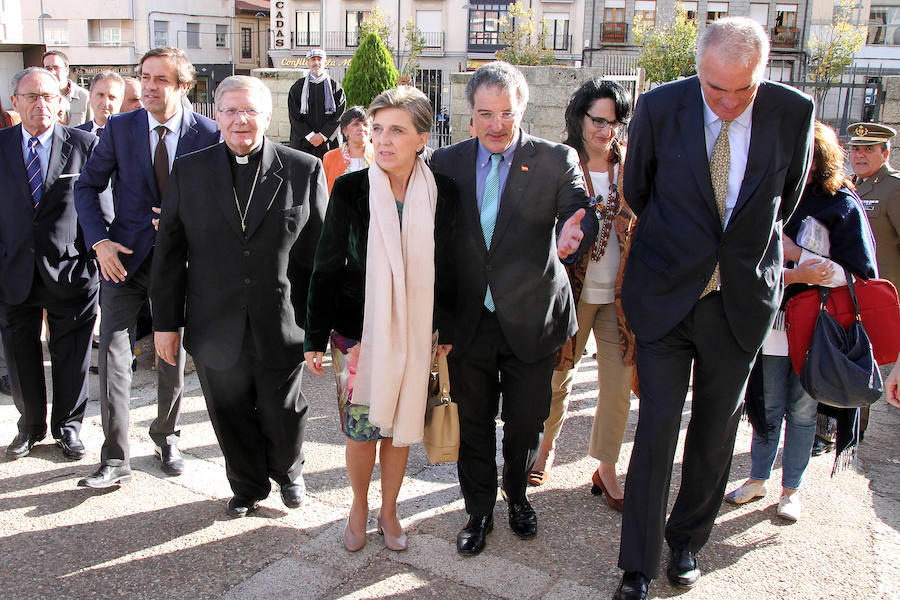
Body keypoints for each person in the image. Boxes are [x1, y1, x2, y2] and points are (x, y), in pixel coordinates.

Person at [612, 18, 814, 600]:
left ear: (764, 73)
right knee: (655, 430)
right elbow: (639, 192)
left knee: (715, 431)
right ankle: (637, 564)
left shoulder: (793, 112)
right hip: (666, 295)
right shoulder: (658, 106)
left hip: (740, 300)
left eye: (742, 90)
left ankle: (685, 543)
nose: (727, 104)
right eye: (714, 88)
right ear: (697, 70)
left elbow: (787, 197)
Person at [430, 62, 598, 556]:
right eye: (486, 113)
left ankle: (519, 494)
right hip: (468, 321)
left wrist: (574, 231)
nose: (497, 124)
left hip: (532, 316)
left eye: (506, 112)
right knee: (475, 421)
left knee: (526, 420)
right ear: (470, 116)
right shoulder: (447, 162)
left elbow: (577, 208)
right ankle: (478, 511)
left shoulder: (554, 158)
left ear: (521, 109)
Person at [152, 75, 325, 516]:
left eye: (250, 111)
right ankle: (247, 485)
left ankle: (289, 471)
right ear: (217, 116)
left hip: (281, 320)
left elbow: (319, 257)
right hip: (214, 320)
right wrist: (166, 324)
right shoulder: (189, 171)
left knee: (282, 411)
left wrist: (319, 329)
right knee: (228, 413)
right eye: (229, 110)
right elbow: (170, 253)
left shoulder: (303, 169)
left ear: (268, 117)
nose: (240, 120)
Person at [305, 86, 458, 552]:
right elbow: (327, 265)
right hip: (357, 334)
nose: (384, 140)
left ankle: (389, 510)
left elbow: (451, 267)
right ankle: (358, 505)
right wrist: (314, 335)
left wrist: (445, 331)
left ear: (422, 137)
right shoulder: (352, 189)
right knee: (362, 429)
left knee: (398, 427)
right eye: (377, 129)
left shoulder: (443, 192)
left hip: (418, 331)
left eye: (397, 130)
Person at [74, 47, 219, 488]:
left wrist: (189, 219)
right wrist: (100, 243)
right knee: (114, 355)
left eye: (160, 79)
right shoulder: (120, 128)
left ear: (182, 86)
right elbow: (87, 186)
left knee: (169, 351)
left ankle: (166, 434)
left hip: (181, 263)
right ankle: (115, 456)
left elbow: (221, 199)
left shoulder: (208, 133)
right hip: (124, 261)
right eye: (144, 77)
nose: (149, 87)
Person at [725, 122, 878, 522]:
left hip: (817, 326)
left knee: (804, 411)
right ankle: (757, 479)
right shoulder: (768, 195)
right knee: (765, 406)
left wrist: (796, 258)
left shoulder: (841, 202)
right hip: (770, 322)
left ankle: (790, 491)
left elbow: (857, 273)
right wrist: (789, 267)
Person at [528, 79, 637, 511]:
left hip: (619, 293)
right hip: (569, 290)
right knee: (558, 378)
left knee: (618, 383)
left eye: (614, 122)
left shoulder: (631, 165)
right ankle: (544, 449)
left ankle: (606, 467)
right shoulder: (559, 162)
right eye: (598, 119)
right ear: (580, 117)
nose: (605, 129)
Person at [0, 67, 103, 460]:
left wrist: (93, 261)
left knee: (72, 355)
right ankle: (29, 427)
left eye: (48, 96)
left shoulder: (85, 145)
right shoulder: (1, 145)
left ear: (61, 102)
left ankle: (68, 427)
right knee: (20, 353)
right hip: (12, 273)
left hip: (71, 272)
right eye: (31, 96)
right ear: (16, 103)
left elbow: (100, 210)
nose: (40, 104)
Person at [287, 49, 345, 159]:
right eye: (313, 59)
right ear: (308, 62)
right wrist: (310, 136)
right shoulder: (297, 87)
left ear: (325, 63)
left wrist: (322, 136)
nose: (316, 63)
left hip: (328, 144)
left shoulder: (335, 87)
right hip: (303, 144)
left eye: (319, 59)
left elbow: (339, 115)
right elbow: (294, 115)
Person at [322, 106, 373, 192]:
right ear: (345, 130)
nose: (361, 128)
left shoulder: (380, 155)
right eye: (356, 124)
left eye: (365, 124)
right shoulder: (330, 157)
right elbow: (324, 191)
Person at [42, 50, 91, 126]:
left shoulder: (85, 97)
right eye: (48, 68)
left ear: (66, 70)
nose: (52, 72)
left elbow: (91, 129)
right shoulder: (39, 99)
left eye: (56, 68)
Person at [75, 71, 125, 136]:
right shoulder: (76, 135)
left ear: (121, 100)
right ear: (90, 96)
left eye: (112, 97)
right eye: (100, 95)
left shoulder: (130, 135)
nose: (105, 103)